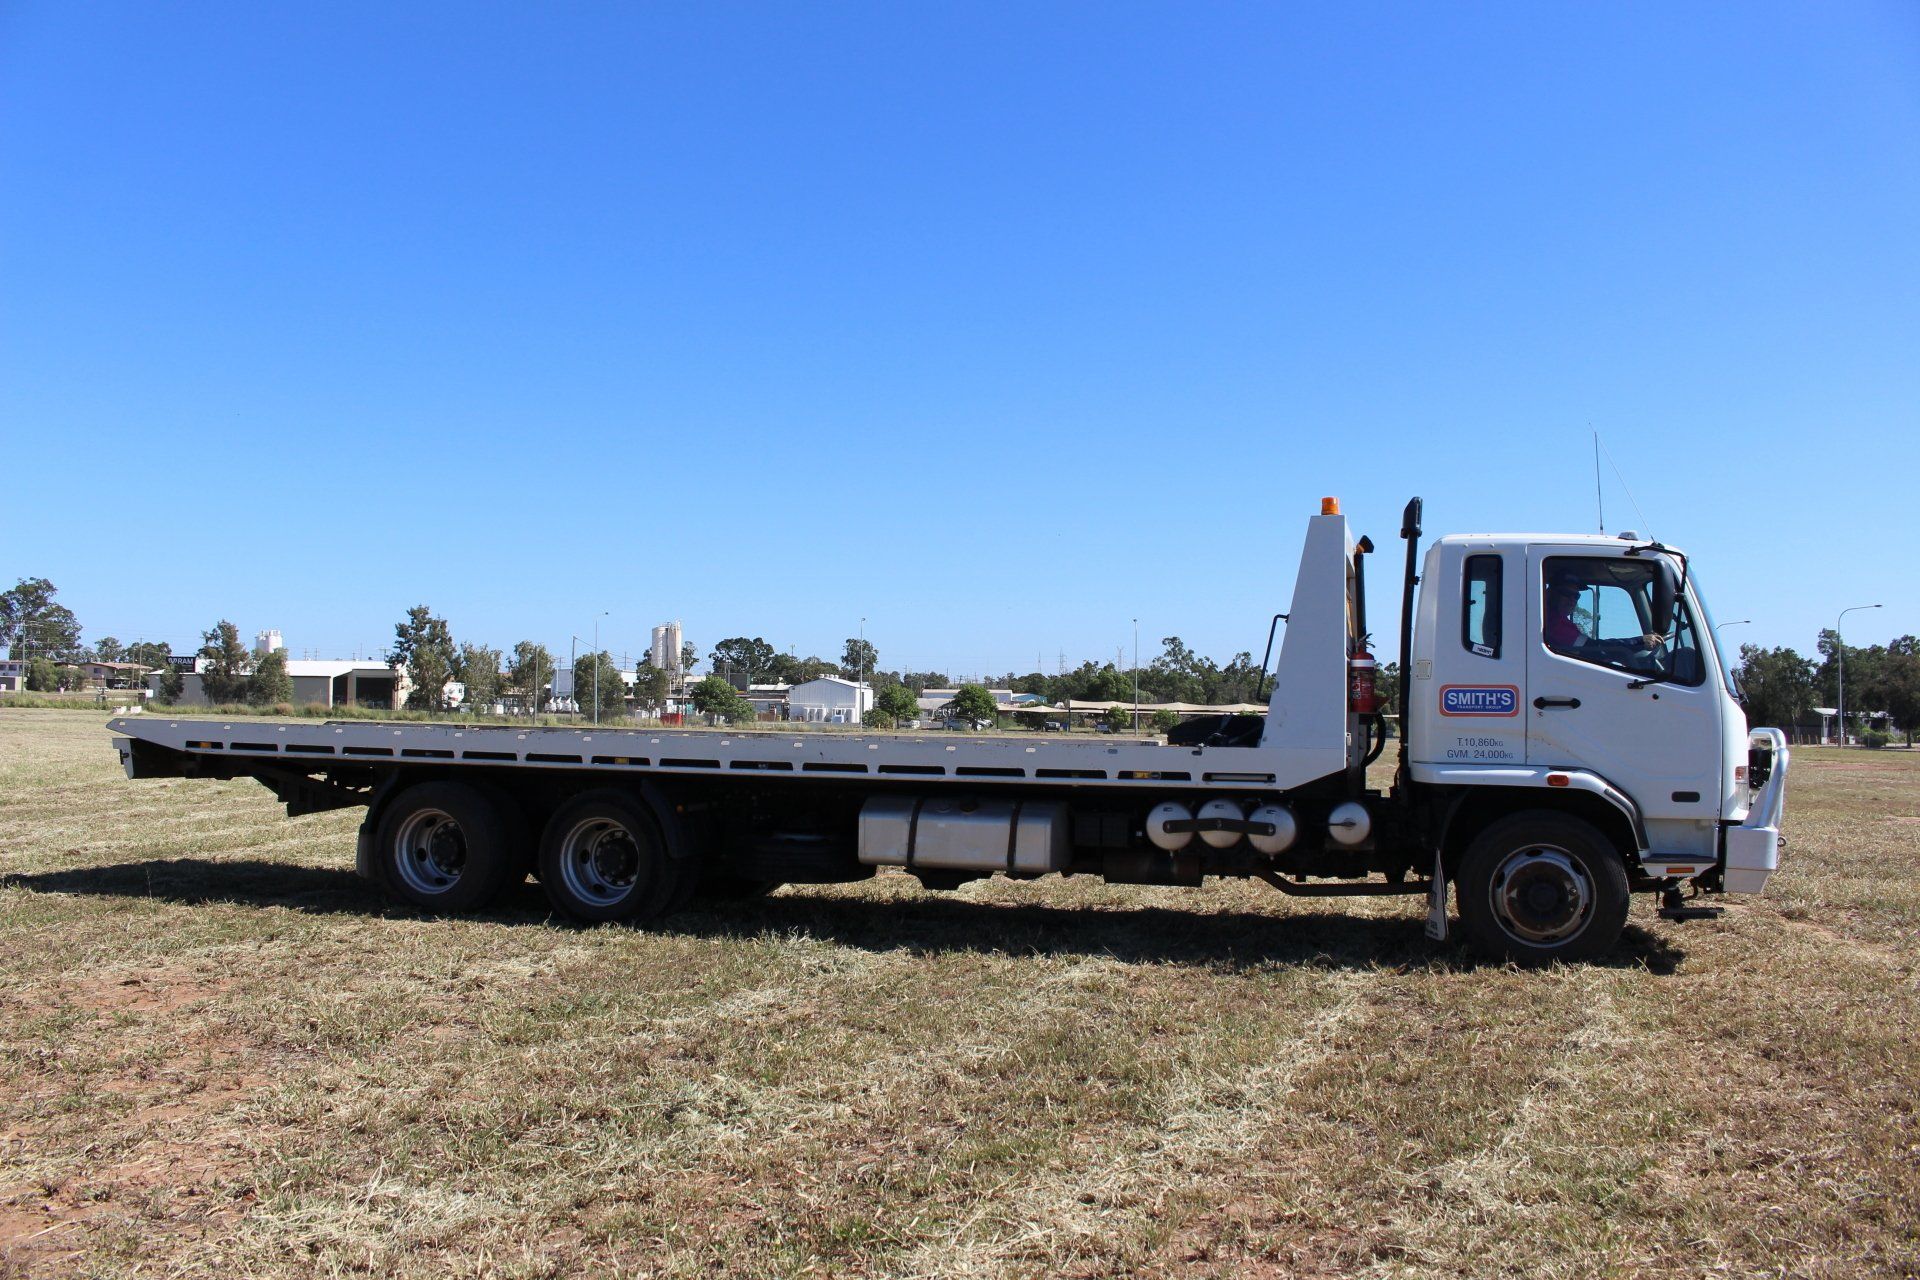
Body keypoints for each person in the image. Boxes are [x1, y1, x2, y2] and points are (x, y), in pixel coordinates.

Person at [1545, 577, 1586, 651]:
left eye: (1576, 596)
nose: (1572, 599)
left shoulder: (1558, 619)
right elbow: (1586, 649)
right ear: (1550, 593)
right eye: (1567, 593)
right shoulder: (1551, 620)